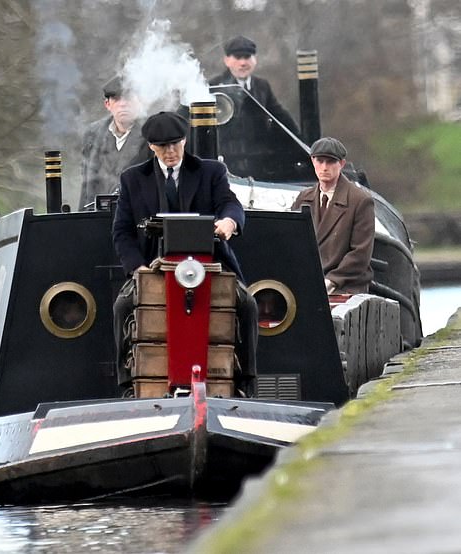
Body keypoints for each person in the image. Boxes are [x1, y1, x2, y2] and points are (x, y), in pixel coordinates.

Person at [112, 111, 258, 396]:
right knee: (121, 307)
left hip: (210, 262)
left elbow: (230, 204)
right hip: (152, 267)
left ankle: (244, 382)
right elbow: (122, 232)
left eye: (175, 144)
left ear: (185, 141)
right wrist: (137, 268)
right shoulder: (132, 179)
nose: (170, 152)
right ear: (151, 147)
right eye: (163, 146)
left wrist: (229, 222)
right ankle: (129, 385)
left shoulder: (211, 171)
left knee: (248, 305)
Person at [291, 137, 375, 294]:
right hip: (309, 284)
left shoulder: (360, 201)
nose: (324, 167)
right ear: (312, 161)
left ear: (341, 164)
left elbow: (360, 254)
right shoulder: (303, 199)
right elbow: (292, 244)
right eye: (320, 161)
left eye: (330, 162)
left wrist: (331, 281)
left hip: (346, 288)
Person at [208, 35, 300, 176]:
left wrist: (300, 140)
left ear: (255, 60)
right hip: (228, 163)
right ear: (227, 60)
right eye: (238, 57)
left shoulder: (262, 86)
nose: (243, 63)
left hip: (258, 163)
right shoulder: (214, 86)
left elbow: (279, 115)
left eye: (247, 57)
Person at [78, 76, 151, 210]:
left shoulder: (151, 132)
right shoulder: (93, 135)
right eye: (116, 99)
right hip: (99, 216)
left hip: (137, 217)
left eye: (128, 98)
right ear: (107, 104)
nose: (123, 104)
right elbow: (87, 185)